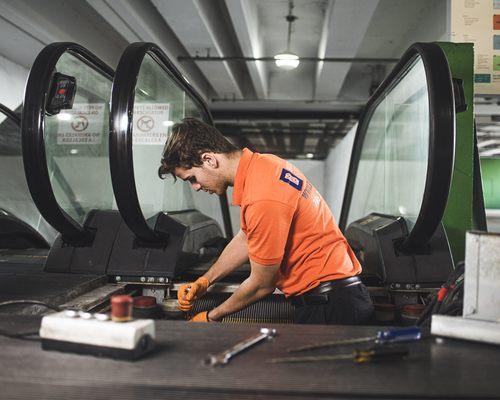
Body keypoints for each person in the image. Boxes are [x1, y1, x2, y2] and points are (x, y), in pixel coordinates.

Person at [158, 117, 374, 325]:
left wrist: (211, 316)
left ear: (209, 160)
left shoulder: (263, 196)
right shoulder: (265, 165)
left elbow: (262, 285)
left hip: (331, 308)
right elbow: (246, 238)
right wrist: (205, 281)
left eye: (192, 179)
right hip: (338, 298)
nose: (195, 187)